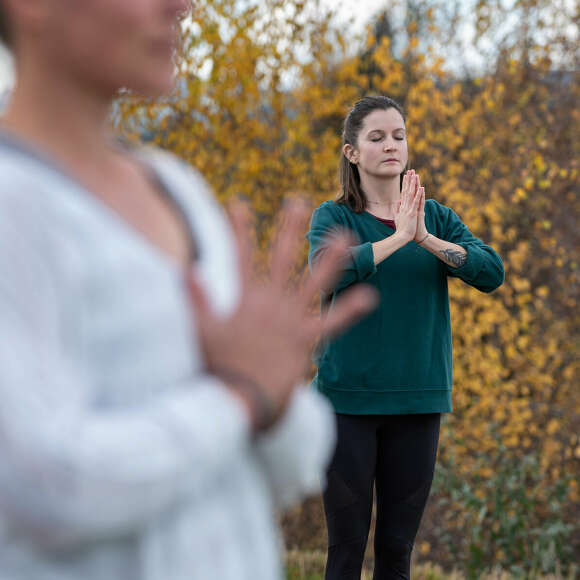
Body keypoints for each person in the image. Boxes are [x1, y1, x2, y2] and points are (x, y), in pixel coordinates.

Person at [0, 2, 378, 579]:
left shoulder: (179, 189)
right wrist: (241, 397)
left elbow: (292, 465)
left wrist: (271, 401)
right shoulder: (13, 204)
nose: (180, 5)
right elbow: (46, 485)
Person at [307, 95, 505, 580]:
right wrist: (397, 238)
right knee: (345, 551)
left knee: (397, 552)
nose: (391, 145)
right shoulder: (333, 219)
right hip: (347, 405)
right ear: (353, 152)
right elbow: (325, 275)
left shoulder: (434, 218)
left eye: (398, 135)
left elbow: (490, 272)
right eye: (377, 137)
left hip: (418, 403)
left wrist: (425, 238)